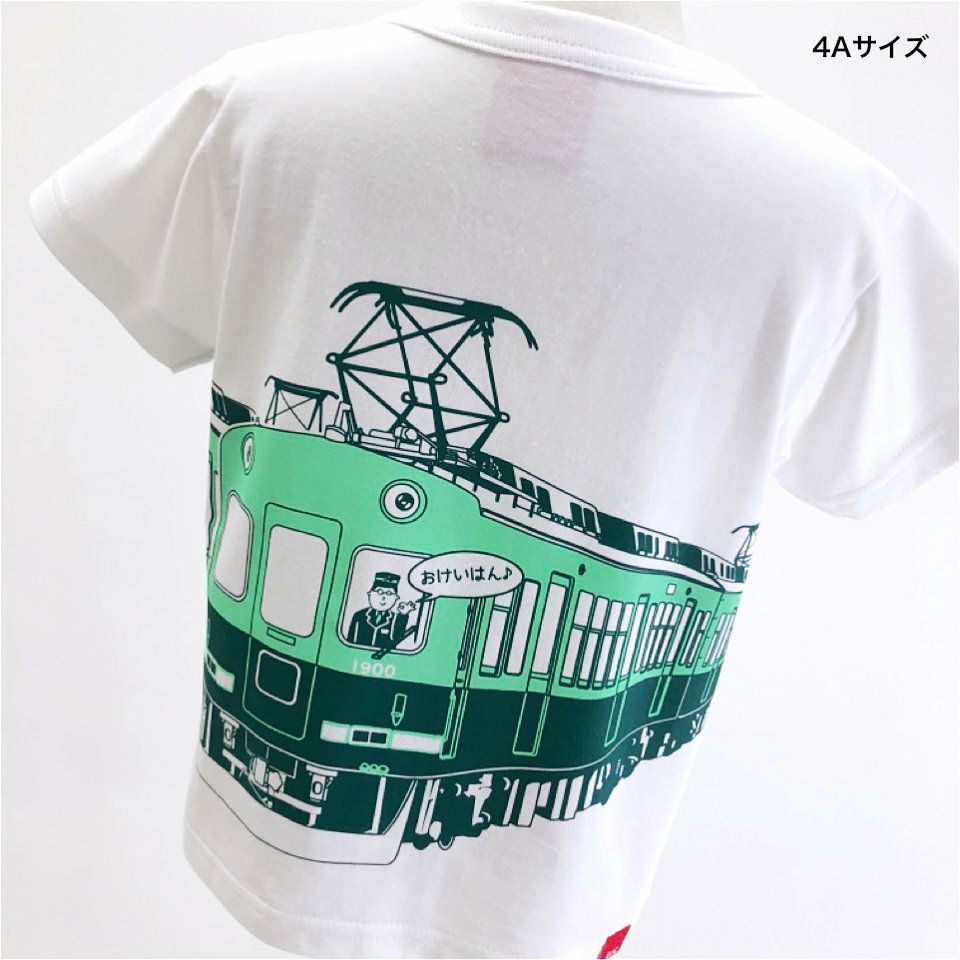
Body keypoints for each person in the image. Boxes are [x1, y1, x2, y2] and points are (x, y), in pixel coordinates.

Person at [346, 571, 417, 657]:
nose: (384, 597)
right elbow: (350, 641)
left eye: (389, 593)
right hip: (357, 655)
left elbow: (396, 639)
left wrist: (403, 615)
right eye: (379, 592)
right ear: (370, 593)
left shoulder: (396, 618)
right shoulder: (359, 616)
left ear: (396, 598)